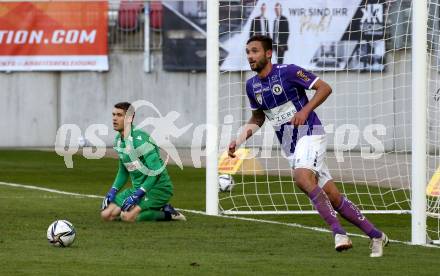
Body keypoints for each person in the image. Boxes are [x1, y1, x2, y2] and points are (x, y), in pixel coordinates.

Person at [228, 35, 388, 257]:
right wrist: (238, 139)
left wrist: (305, 111)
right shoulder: (251, 85)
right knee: (332, 196)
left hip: (310, 134)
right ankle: (376, 235)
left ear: (268, 53)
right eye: (247, 52)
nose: (250, 56)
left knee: (302, 178)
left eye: (254, 51)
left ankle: (339, 233)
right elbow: (258, 118)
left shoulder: (289, 71)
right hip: (290, 146)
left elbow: (324, 87)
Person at [101, 102, 186, 223]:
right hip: (137, 190)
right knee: (106, 215)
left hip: (158, 189)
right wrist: (113, 190)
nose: (114, 118)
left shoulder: (141, 140)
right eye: (113, 114)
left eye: (119, 115)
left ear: (130, 118)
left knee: (129, 217)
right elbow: (123, 170)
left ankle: (168, 213)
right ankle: (139, 208)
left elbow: (156, 173)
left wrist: (138, 194)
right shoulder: (118, 141)